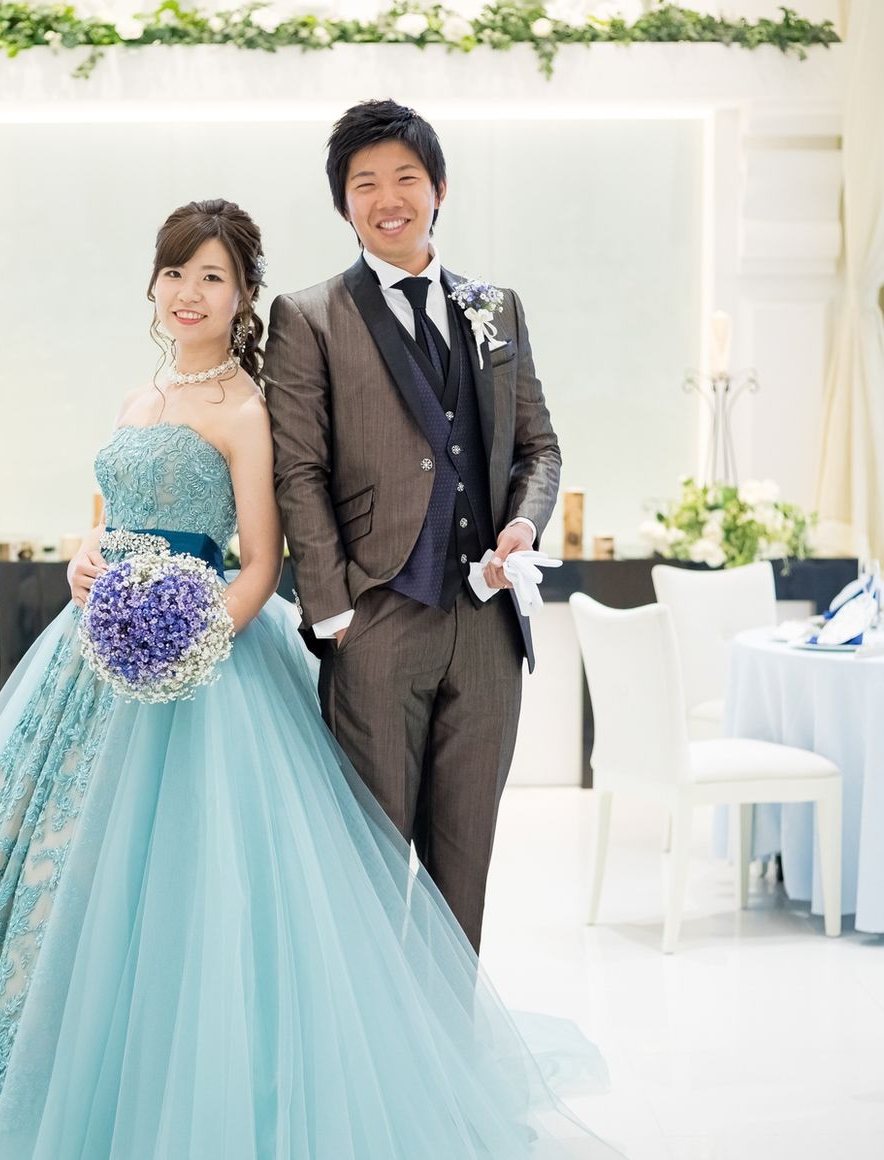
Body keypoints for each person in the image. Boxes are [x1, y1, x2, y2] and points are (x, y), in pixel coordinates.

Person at [0, 200, 614, 1159]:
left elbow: (261, 563)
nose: (189, 293)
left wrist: (188, 642)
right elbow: (110, 519)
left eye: (213, 277)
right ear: (154, 284)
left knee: (190, 878)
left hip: (203, 658)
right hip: (93, 656)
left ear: (244, 297)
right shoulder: (137, 399)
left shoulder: (246, 410)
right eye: (176, 273)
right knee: (49, 868)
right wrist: (86, 558)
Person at [264, 100, 561, 952]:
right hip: (377, 620)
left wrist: (524, 527)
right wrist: (335, 613)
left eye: (406, 178)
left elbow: (539, 448)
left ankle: (447, 1034)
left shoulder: (496, 307)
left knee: (463, 869)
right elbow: (298, 471)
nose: (387, 198)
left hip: (488, 628)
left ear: (439, 189)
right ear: (343, 203)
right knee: (364, 864)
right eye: (365, 184)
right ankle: (365, 1040)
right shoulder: (309, 316)